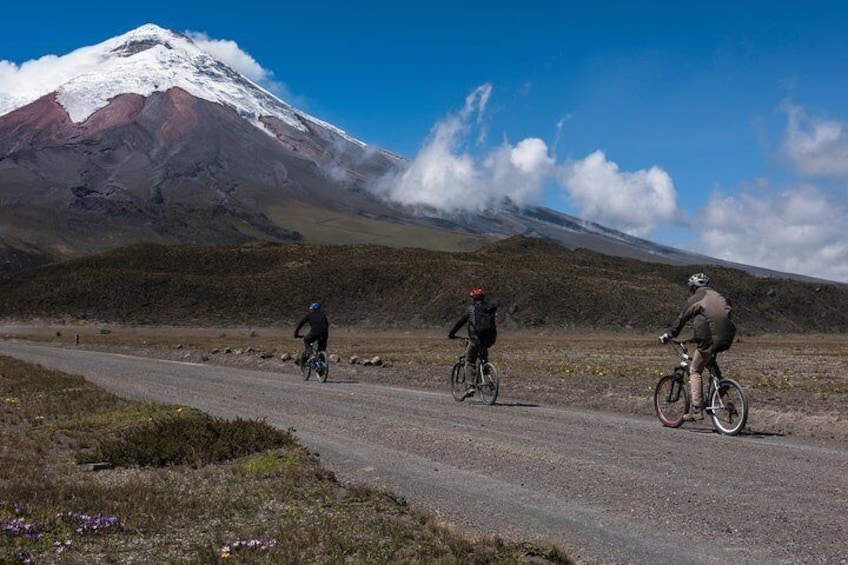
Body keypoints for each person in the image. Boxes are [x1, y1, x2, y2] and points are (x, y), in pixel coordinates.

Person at [659, 273, 736, 420]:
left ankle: (696, 409)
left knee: (695, 370)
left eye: (691, 288)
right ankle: (723, 388)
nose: (691, 291)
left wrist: (668, 335)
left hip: (709, 338)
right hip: (726, 337)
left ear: (694, 287)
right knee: (710, 362)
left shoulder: (697, 298)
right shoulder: (719, 296)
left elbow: (681, 319)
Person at [448, 288, 498, 398]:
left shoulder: (471, 309)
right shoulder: (488, 308)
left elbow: (459, 323)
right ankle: (487, 372)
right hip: (490, 339)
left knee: (469, 360)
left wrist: (451, 334)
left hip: (476, 339)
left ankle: (470, 387)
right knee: (483, 356)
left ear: (473, 299)